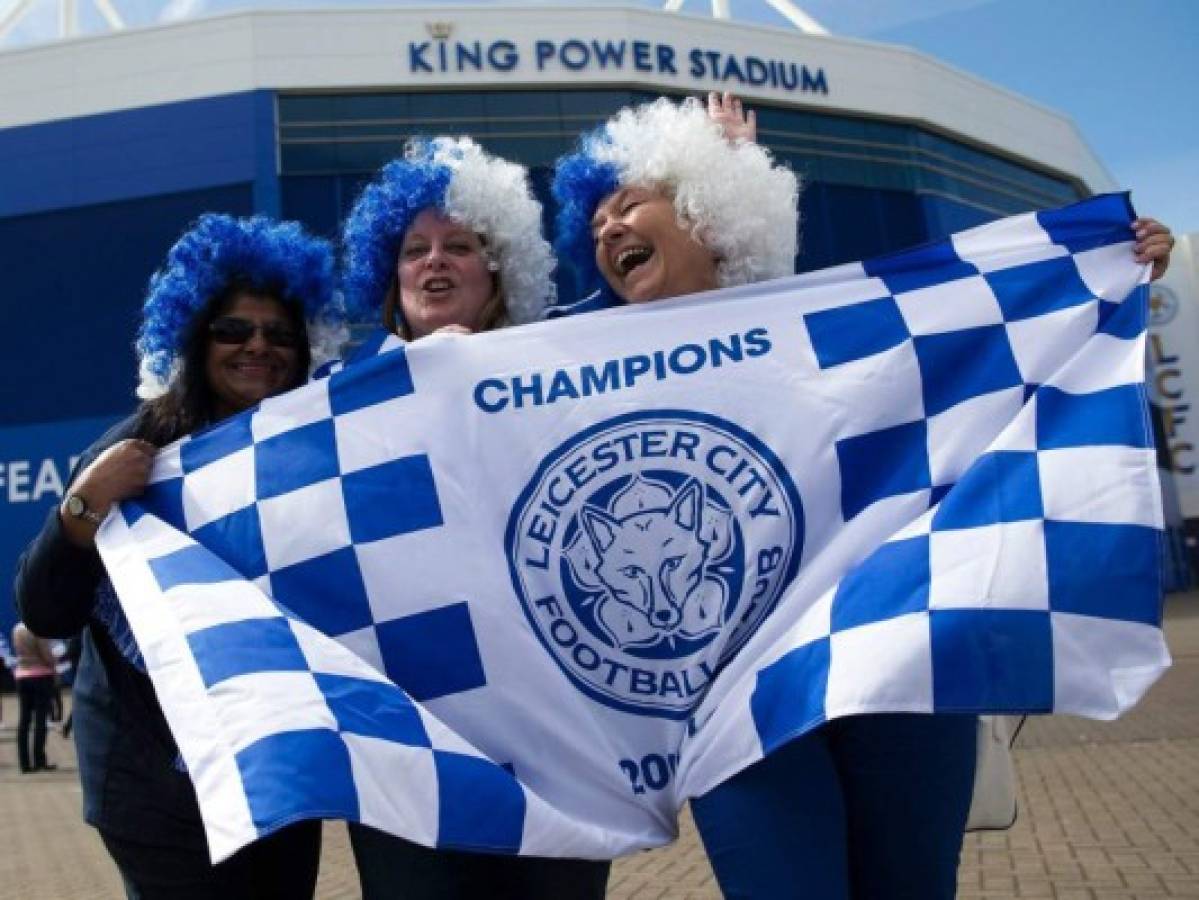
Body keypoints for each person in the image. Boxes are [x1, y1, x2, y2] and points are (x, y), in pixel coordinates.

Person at [550, 92, 1176, 899]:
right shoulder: (579, 366)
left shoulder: (844, 330)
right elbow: (485, 397)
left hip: (895, 672)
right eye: (595, 222)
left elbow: (990, 363)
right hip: (730, 708)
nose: (605, 230)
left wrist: (1107, 265)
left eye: (628, 205)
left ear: (707, 214)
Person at [14, 213, 337, 900]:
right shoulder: (132, 451)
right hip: (155, 786)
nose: (258, 346)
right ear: (193, 337)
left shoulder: (309, 451)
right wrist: (83, 507)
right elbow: (46, 608)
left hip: (278, 769)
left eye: (279, 334)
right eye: (234, 330)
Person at [336, 136, 610, 900]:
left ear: (499, 268)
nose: (435, 261)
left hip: (557, 742)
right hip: (408, 746)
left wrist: (718, 192)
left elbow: (671, 318)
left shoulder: (562, 362)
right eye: (415, 248)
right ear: (389, 273)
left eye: (459, 245)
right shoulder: (334, 397)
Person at [11, 620, 57, 773]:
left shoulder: (16, 629)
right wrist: (54, 665)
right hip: (41, 676)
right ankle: (39, 759)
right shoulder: (38, 629)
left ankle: (24, 763)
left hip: (22, 675)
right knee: (40, 720)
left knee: (24, 720)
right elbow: (46, 656)